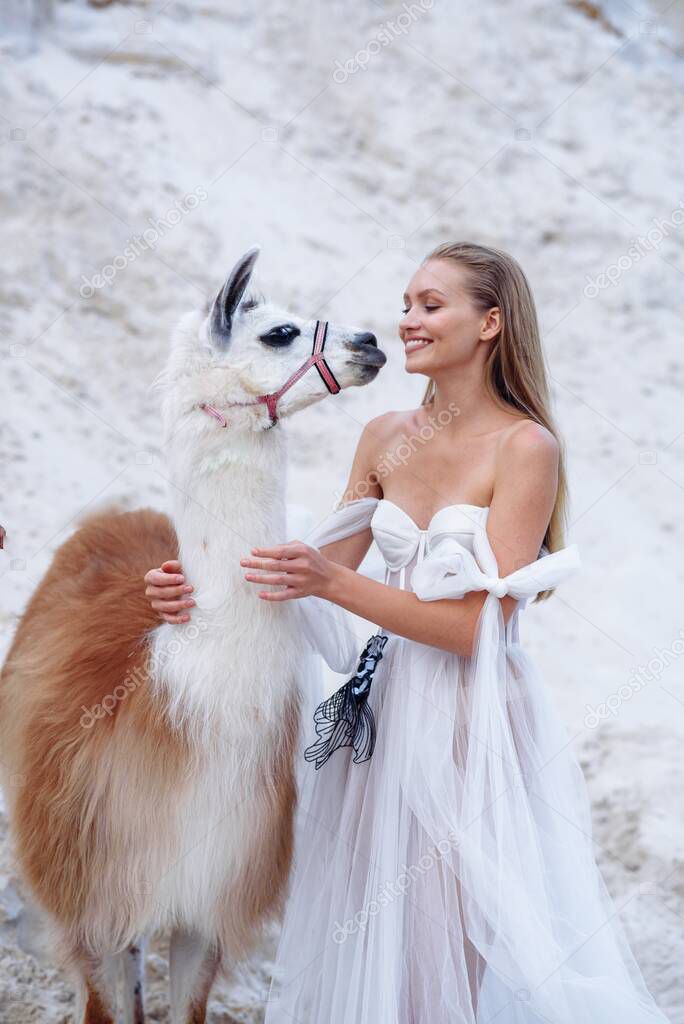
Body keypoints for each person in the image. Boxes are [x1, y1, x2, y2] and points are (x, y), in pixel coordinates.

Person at [144, 242, 670, 1022]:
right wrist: (187, 587)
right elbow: (308, 576)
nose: (408, 321)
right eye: (407, 305)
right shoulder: (386, 436)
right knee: (366, 949)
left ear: (490, 323)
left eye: (431, 305)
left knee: (437, 962)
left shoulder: (526, 449)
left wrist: (333, 582)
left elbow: (473, 631)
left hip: (469, 726)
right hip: (381, 720)